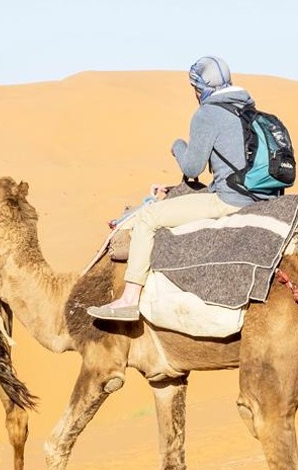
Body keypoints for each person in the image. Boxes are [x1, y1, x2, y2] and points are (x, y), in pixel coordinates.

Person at [88, 56, 268, 321]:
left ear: (199, 88)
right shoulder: (249, 110)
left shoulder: (209, 113)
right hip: (262, 195)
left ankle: (129, 300)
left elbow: (193, 168)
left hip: (231, 199)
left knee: (148, 219)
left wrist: (177, 146)